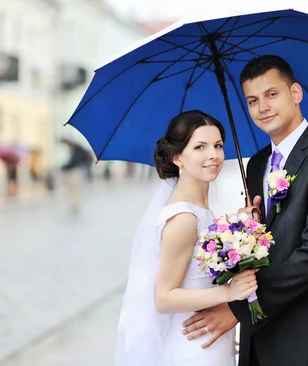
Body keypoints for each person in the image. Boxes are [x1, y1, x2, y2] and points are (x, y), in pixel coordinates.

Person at [181, 55, 308, 366]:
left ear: (295, 94)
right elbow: (271, 242)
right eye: (253, 100)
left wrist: (238, 309)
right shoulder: (256, 164)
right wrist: (251, 229)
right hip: (262, 339)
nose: (262, 107)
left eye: (271, 95)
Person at [115, 110, 258, 366]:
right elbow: (164, 298)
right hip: (192, 349)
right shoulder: (184, 218)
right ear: (178, 157)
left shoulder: (201, 211)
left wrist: (246, 229)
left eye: (218, 145)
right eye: (200, 147)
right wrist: (229, 292)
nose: (213, 155)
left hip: (208, 340)